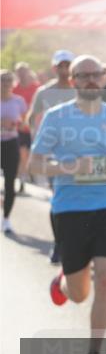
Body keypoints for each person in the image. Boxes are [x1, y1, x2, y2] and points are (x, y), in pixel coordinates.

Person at [29, 55, 106, 354]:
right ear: (73, 80)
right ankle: (65, 282)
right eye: (83, 75)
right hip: (69, 209)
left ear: (104, 78)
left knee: (105, 280)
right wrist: (71, 167)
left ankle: (94, 352)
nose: (91, 79)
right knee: (79, 295)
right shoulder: (57, 117)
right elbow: (35, 163)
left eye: (96, 74)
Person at [30, 50, 77, 265]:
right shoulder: (44, 92)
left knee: (77, 198)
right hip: (52, 153)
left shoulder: (80, 91)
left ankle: (78, 244)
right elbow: (32, 117)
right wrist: (38, 142)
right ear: (54, 68)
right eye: (61, 65)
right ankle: (60, 243)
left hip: (77, 152)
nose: (64, 69)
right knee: (58, 197)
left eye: (68, 65)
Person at [1, 70, 28, 234]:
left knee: (10, 184)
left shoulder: (19, 101)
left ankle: (6, 219)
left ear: (13, 84)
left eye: (8, 81)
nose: (5, 84)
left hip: (11, 143)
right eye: (2, 81)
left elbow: (24, 122)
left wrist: (16, 122)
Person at [12, 62, 40, 193]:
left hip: (33, 128)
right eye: (19, 72)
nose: (22, 75)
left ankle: (23, 178)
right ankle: (21, 179)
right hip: (17, 128)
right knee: (21, 154)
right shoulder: (14, 89)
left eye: (24, 71)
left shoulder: (37, 88)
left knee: (26, 155)